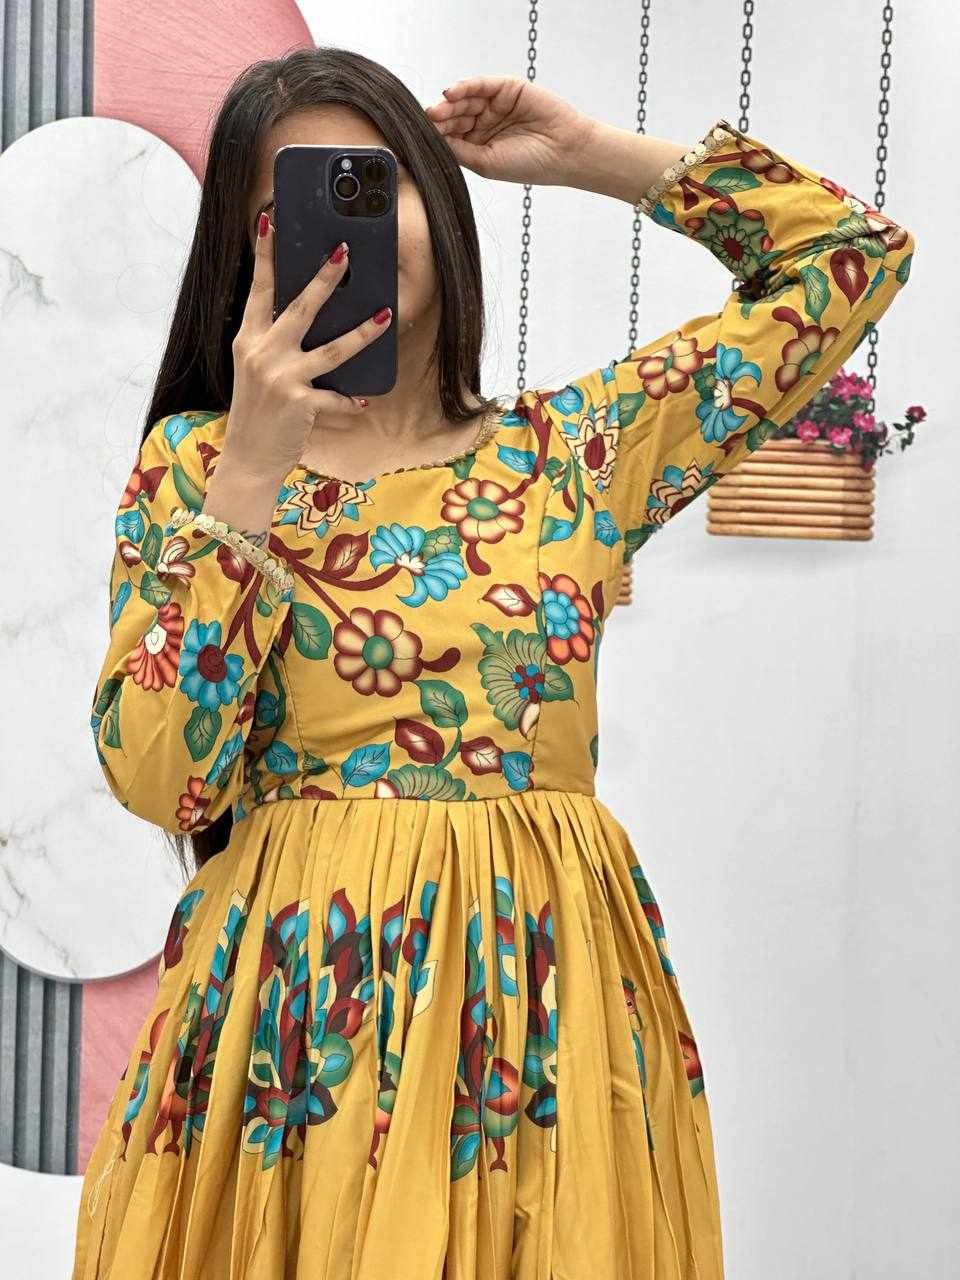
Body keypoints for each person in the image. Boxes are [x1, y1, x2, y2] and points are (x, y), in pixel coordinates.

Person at [72, 44, 915, 1280]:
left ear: (435, 192)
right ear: (245, 254)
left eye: (373, 183)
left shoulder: (574, 452)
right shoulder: (197, 468)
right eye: (290, 204)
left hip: (536, 1028)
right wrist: (249, 472)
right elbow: (165, 782)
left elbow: (850, 258)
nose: (342, 233)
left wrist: (592, 159)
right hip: (294, 1035)